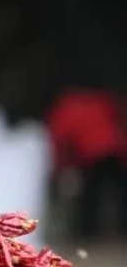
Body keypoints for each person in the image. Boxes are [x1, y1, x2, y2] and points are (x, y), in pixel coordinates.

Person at [47, 90, 127, 239]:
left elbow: (60, 137)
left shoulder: (67, 105)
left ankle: (88, 232)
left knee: (90, 198)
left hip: (92, 155)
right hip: (113, 152)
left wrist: (59, 167)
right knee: (119, 194)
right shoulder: (103, 99)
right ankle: (119, 229)